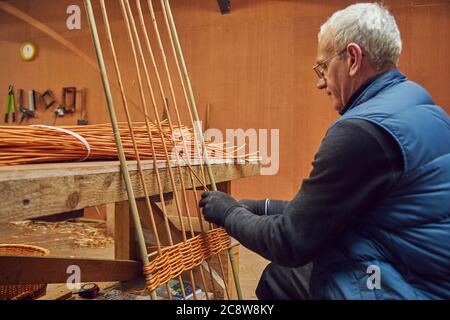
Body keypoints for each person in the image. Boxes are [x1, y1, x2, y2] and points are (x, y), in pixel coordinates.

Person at [199, 3, 450, 300]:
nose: (320, 82)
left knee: (288, 270)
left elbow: (290, 241)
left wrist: (229, 214)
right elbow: (326, 210)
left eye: (323, 67)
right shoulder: (420, 105)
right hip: (422, 271)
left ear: (353, 58)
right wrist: (256, 206)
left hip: (405, 287)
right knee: (281, 278)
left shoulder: (362, 131)